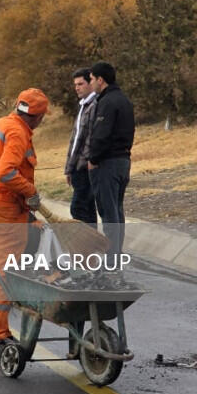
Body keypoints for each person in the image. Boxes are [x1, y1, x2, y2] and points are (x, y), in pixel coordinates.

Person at [0, 88, 49, 354]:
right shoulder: (17, 133)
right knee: (4, 271)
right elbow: (6, 172)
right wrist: (30, 192)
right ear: (37, 116)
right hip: (5, 209)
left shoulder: (0, 125)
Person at [85, 62, 135, 266]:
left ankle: (111, 259)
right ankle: (116, 254)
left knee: (108, 212)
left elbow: (101, 135)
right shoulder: (124, 100)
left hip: (108, 163)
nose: (90, 83)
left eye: (91, 79)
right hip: (123, 160)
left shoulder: (107, 102)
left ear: (100, 80)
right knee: (117, 211)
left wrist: (93, 159)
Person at [63, 68, 98, 226]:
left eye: (80, 84)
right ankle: (91, 245)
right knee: (86, 208)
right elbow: (75, 140)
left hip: (85, 166)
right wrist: (69, 168)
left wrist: (83, 163)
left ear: (90, 83)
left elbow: (89, 139)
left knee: (79, 207)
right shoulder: (83, 106)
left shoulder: (95, 104)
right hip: (77, 167)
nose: (77, 88)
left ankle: (86, 244)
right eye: (75, 85)